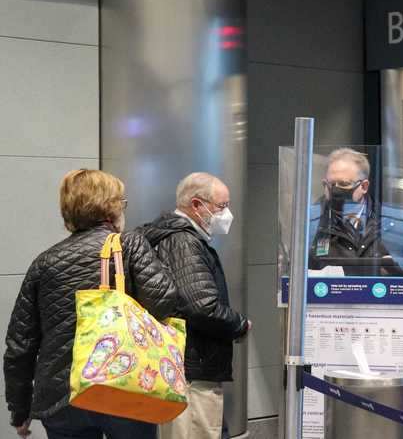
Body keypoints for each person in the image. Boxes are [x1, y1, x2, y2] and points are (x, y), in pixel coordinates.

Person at [3, 169, 177, 439]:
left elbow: (19, 346)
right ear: (112, 206)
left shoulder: (45, 262)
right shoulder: (130, 244)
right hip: (123, 386)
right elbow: (164, 303)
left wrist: (19, 409)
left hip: (61, 398)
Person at [138, 172, 250, 439]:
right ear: (197, 205)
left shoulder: (175, 237)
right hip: (192, 370)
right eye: (222, 206)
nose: (227, 214)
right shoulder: (183, 242)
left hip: (185, 365)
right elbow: (201, 305)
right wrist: (239, 324)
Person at [308, 148, 403, 275]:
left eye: (343, 183)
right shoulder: (312, 222)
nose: (335, 190)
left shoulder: (395, 222)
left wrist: (397, 272)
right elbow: (293, 274)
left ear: (364, 186)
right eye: (330, 184)